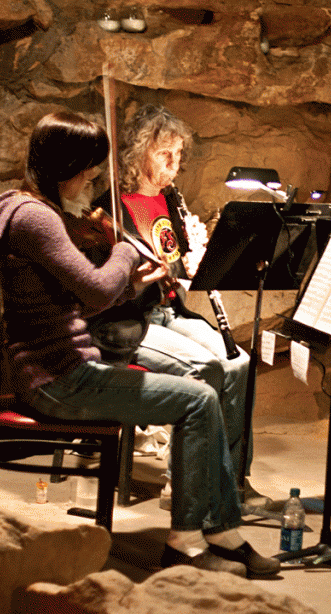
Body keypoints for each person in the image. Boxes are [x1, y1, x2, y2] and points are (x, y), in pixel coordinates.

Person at [0, 111, 280, 578]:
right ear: (65, 163)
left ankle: (220, 531)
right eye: (89, 164)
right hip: (56, 379)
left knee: (207, 394)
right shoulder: (36, 219)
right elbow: (94, 290)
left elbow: (82, 301)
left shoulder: (36, 212)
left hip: (63, 368)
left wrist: (131, 285)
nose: (94, 174)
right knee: (198, 400)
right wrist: (129, 250)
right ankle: (188, 541)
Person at [85, 104, 266, 511]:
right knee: (208, 368)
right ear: (138, 152)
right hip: (131, 320)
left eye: (179, 154)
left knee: (241, 364)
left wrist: (200, 256)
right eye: (164, 153)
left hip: (170, 312)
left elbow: (182, 271)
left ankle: (234, 480)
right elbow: (105, 286)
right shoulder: (111, 208)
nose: (174, 164)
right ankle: (182, 482)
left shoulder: (171, 201)